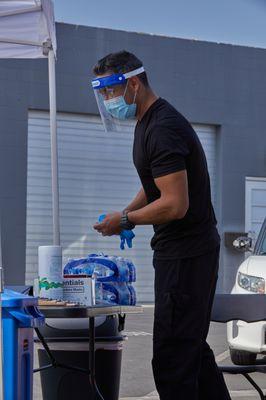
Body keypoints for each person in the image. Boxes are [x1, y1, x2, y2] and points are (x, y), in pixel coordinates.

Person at [92, 50, 231, 400]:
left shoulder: (163, 127)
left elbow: (175, 203)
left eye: (110, 92)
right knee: (192, 354)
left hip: (186, 255)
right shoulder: (148, 122)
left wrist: (125, 219)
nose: (108, 101)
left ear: (133, 84)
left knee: (173, 360)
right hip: (186, 253)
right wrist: (128, 213)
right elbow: (155, 183)